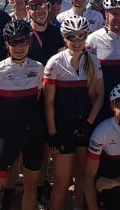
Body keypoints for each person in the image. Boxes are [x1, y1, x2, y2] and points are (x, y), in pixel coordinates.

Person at [0, 20, 46, 210]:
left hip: (33, 134)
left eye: (23, 41)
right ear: (6, 43)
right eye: (13, 42)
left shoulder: (38, 68)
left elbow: (37, 97)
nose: (18, 47)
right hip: (7, 135)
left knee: (30, 187)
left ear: (29, 41)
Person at [45, 15, 107, 210]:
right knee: (62, 183)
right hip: (62, 128)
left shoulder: (93, 61)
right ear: (65, 38)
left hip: (84, 126)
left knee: (81, 179)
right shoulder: (54, 62)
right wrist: (52, 133)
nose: (77, 41)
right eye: (72, 37)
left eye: (82, 36)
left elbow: (99, 95)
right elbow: (48, 102)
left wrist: (89, 122)